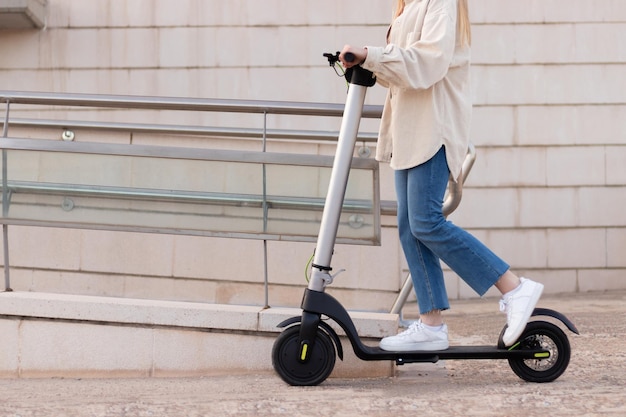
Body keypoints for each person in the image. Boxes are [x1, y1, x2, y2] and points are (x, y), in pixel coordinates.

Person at [339, 0, 544, 351]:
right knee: (410, 227)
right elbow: (403, 67)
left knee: (426, 223)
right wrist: (368, 63)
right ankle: (431, 324)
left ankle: (514, 287)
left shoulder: (441, 3)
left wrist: (371, 54)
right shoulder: (408, 6)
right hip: (409, 132)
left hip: (433, 130)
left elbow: (428, 64)